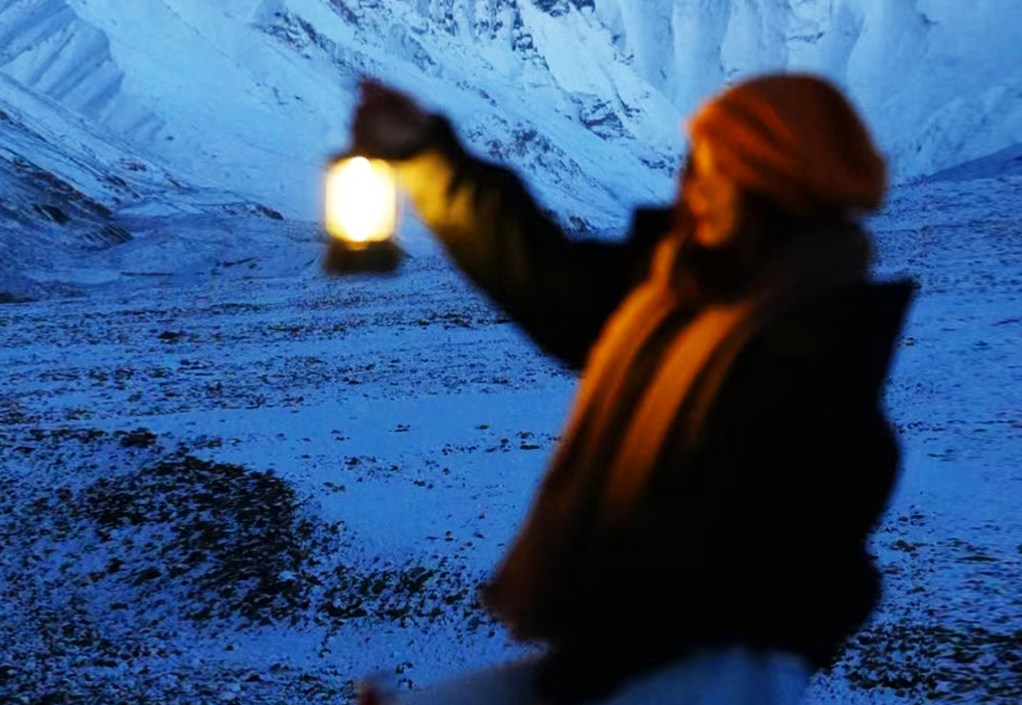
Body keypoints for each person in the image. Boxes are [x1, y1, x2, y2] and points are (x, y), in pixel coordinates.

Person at [350, 74, 915, 705]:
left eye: (710, 170)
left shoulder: (811, 361)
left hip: (705, 671)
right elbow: (545, 276)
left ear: (768, 184)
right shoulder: (674, 298)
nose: (689, 189)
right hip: (619, 659)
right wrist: (427, 152)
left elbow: (722, 565)